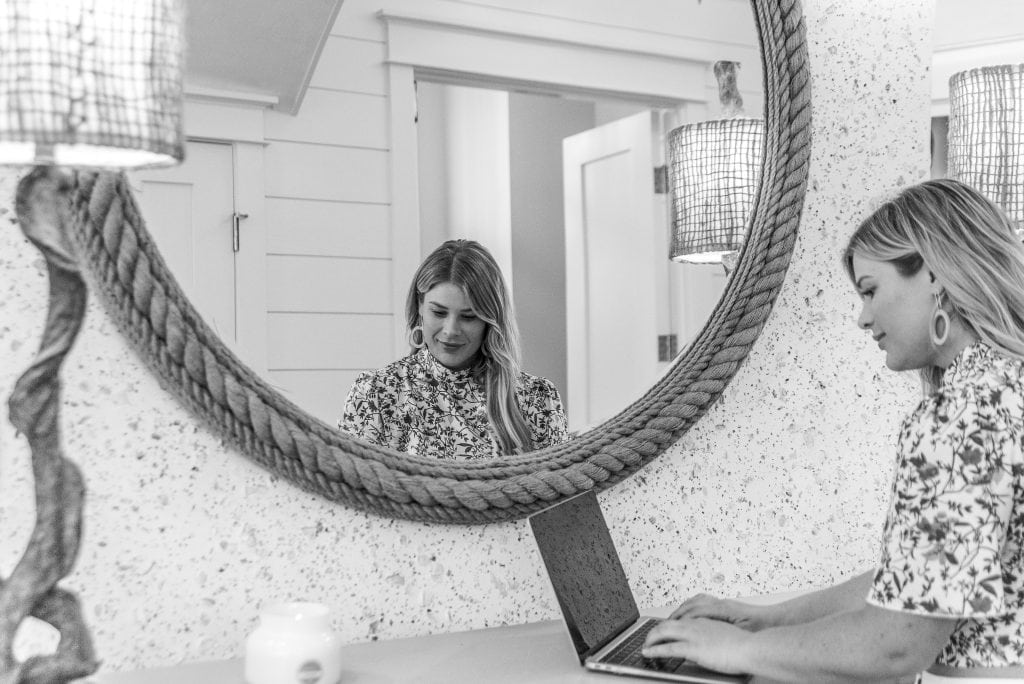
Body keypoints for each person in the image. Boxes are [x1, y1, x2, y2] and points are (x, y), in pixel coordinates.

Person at [642, 179, 1024, 682]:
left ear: (934, 275)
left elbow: (895, 644)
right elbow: (918, 580)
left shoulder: (958, 418)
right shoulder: (1007, 388)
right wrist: (763, 620)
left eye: (870, 291)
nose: (864, 318)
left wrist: (738, 651)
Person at [338, 239, 568, 460]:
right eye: (439, 313)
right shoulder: (375, 393)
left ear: (490, 321)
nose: (450, 330)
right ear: (419, 307)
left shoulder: (538, 398)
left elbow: (569, 497)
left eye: (468, 317)